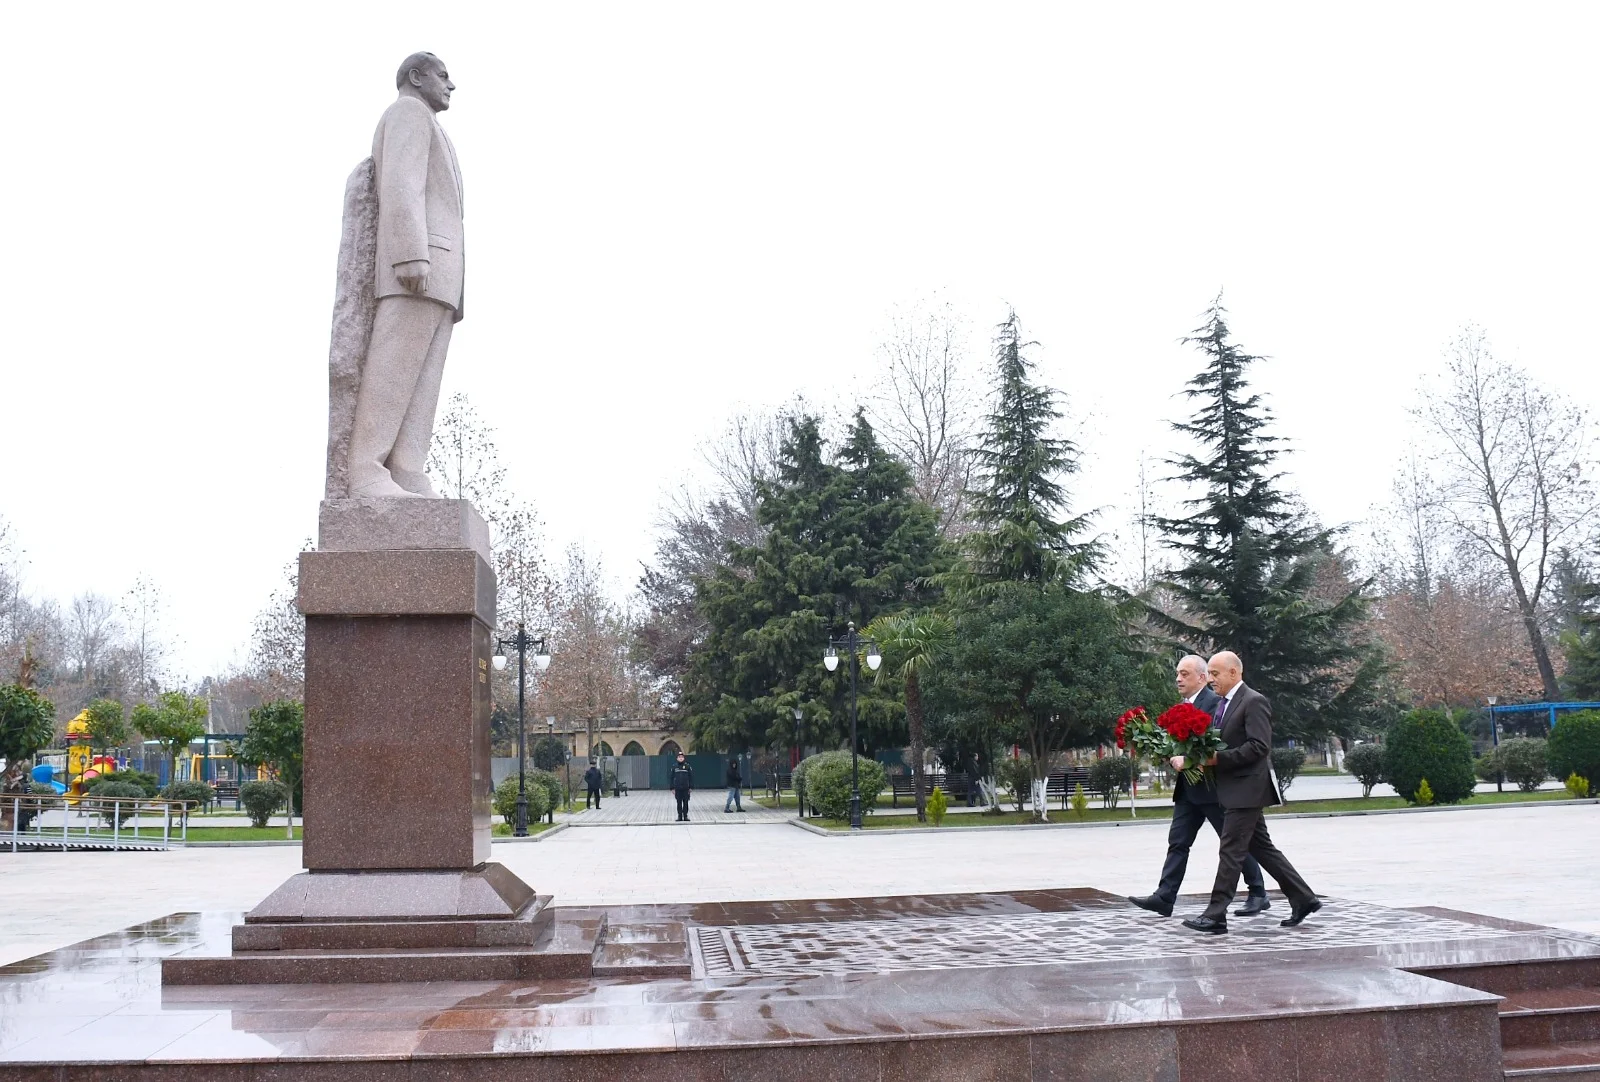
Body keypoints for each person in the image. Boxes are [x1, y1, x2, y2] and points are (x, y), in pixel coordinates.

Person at [345, 52, 467, 498]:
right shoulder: (407, 113)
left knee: (422, 379)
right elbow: (401, 183)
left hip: (442, 275)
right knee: (392, 368)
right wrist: (409, 254)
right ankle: (367, 470)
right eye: (443, 75)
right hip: (417, 267)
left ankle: (405, 469)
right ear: (416, 78)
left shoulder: (432, 125)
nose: (451, 85)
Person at [1180, 651, 1321, 936]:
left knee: (1230, 851)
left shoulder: (1253, 701)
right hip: (1233, 789)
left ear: (1234, 673)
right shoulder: (1223, 704)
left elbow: (1259, 747)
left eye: (1216, 674)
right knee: (1263, 849)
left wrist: (1216, 760)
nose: (1212, 680)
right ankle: (1304, 899)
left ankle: (1215, 914)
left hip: (1248, 789)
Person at [1128, 655, 1269, 918]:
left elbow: (1219, 745)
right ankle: (1165, 896)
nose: (1178, 679)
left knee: (1234, 844)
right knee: (1178, 842)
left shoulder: (1217, 704)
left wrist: (1191, 758)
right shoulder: (1180, 707)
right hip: (1188, 790)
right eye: (1177, 674)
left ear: (1202, 677)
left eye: (1185, 674)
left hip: (1213, 789)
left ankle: (1258, 892)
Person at [670, 754, 694, 822]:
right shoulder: (674, 767)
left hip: (686, 788)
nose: (681, 758)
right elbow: (671, 778)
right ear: (677, 758)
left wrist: (691, 787)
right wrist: (672, 788)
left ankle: (685, 816)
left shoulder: (687, 766)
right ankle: (680, 816)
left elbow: (691, 777)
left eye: (682, 757)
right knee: (679, 802)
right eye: (679, 757)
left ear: (684, 758)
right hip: (677, 788)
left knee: (686, 802)